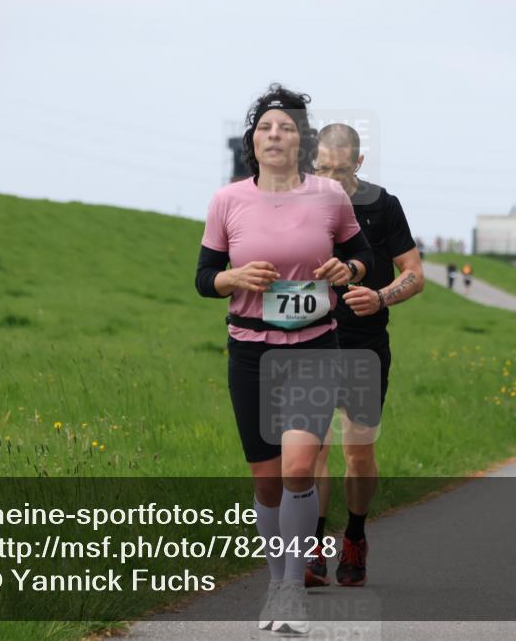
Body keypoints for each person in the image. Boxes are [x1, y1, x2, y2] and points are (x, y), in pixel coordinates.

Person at [195, 84, 373, 635]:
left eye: (287, 127)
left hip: (315, 346)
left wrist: (350, 270)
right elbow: (204, 278)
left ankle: (292, 587)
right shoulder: (227, 201)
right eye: (266, 127)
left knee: (299, 467)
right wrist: (233, 277)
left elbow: (361, 255)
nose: (275, 134)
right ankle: (275, 583)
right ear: (253, 140)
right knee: (267, 480)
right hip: (250, 351)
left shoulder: (329, 196)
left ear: (302, 141)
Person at [306, 124, 424, 589]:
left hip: (364, 344)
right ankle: (313, 546)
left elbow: (413, 273)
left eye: (340, 170)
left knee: (357, 454)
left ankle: (354, 536)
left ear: (358, 163)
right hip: (311, 341)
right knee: (312, 450)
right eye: (321, 169)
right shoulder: (299, 203)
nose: (330, 179)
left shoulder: (383, 206)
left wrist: (380, 297)